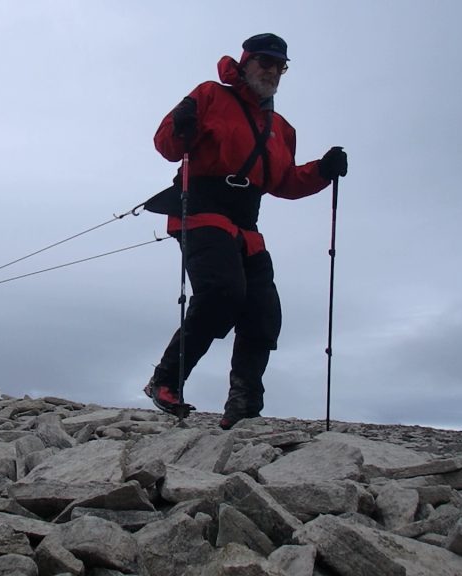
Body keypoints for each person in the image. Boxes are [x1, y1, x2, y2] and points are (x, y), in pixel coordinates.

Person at [143, 33, 348, 429]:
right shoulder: (209, 96)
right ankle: (165, 381)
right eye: (264, 62)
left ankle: (243, 405)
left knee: (263, 312)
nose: (271, 71)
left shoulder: (281, 128)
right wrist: (181, 124)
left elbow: (284, 181)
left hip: (247, 224)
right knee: (222, 293)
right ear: (246, 62)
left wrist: (322, 170)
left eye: (279, 66)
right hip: (201, 210)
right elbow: (168, 146)